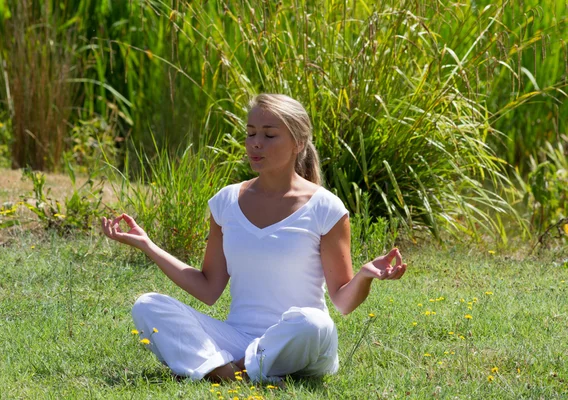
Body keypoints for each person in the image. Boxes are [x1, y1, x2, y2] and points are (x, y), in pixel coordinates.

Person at [101, 93, 407, 383]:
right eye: (250, 133)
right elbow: (209, 288)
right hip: (237, 337)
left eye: (269, 135)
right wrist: (147, 245)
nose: (255, 144)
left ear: (298, 142)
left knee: (315, 322)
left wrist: (365, 275)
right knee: (147, 305)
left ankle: (222, 369)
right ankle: (240, 372)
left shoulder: (325, 208)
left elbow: (341, 301)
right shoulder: (226, 202)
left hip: (303, 343)